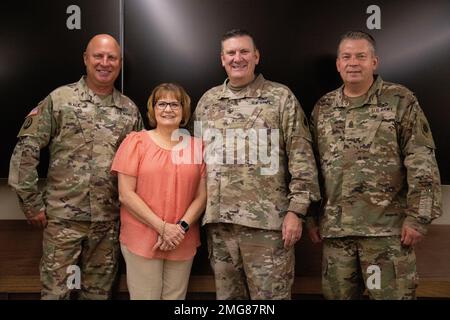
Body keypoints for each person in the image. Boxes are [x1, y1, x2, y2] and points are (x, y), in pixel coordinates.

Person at [308, 31, 442, 299]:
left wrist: (418, 218)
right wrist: (311, 215)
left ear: (374, 62)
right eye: (346, 57)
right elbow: (311, 166)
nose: (353, 63)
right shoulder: (323, 107)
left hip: (387, 234)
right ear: (338, 64)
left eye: (361, 56)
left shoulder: (400, 100)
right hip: (336, 235)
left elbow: (422, 161)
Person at [8, 34, 144, 299]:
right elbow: (26, 150)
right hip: (62, 222)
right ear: (86, 59)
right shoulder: (59, 99)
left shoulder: (129, 110)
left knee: (99, 294)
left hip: (108, 223)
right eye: (98, 56)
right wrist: (31, 203)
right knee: (56, 294)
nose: (105, 63)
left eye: (111, 57)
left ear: (120, 63)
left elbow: (141, 167)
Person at [191, 29, 320, 300]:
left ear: (256, 56)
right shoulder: (208, 102)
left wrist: (297, 211)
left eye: (244, 51)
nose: (238, 58)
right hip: (221, 225)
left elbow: (301, 155)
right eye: (231, 53)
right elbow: (196, 162)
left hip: (268, 226)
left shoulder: (280, 97)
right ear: (222, 59)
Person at [111, 83, 206, 300]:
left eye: (175, 104)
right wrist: (162, 228)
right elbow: (126, 194)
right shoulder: (135, 142)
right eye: (161, 103)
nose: (168, 109)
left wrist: (178, 229)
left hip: (181, 239)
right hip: (143, 239)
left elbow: (202, 196)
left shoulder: (197, 147)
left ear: (184, 110)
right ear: (153, 110)